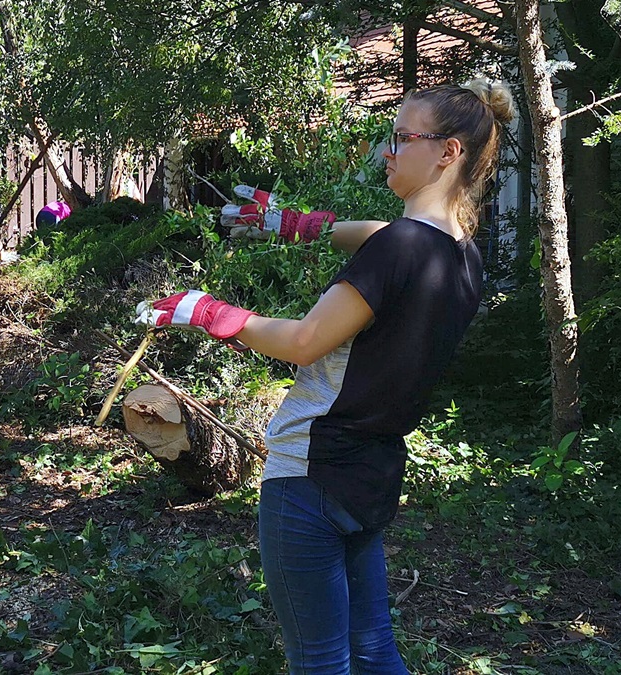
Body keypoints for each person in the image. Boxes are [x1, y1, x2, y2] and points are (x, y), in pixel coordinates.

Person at [137, 78, 514, 673]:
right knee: (373, 649)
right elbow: (377, 236)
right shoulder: (462, 253)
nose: (386, 152)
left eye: (401, 138)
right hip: (370, 473)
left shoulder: (399, 249)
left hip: (311, 476)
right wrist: (294, 224)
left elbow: (306, 342)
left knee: (319, 662)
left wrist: (210, 313)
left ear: (447, 152)